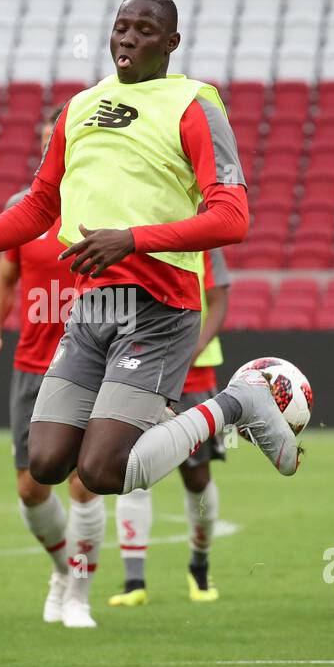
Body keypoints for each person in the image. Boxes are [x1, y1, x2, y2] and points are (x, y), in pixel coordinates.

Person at [0, 0, 298, 632]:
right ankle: (74, 574)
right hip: (92, 310)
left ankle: (239, 403)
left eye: (144, 30)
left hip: (162, 308)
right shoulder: (80, 107)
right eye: (121, 27)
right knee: (44, 463)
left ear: (171, 43)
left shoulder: (194, 104)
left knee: (101, 470)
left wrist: (131, 239)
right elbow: (41, 205)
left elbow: (232, 217)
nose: (127, 38)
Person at [0, 107, 104, 628]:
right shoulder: (22, 209)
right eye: (51, 143)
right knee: (31, 490)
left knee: (85, 483)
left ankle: (79, 597)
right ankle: (62, 570)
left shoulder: (108, 205)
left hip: (92, 363)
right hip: (33, 364)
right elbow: (5, 276)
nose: (59, 152)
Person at [110, 246, 231, 606]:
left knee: (197, 477)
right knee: (130, 471)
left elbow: (219, 298)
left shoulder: (204, 241)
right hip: (137, 373)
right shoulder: (132, 237)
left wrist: (195, 346)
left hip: (193, 378)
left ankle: (200, 566)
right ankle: (134, 582)